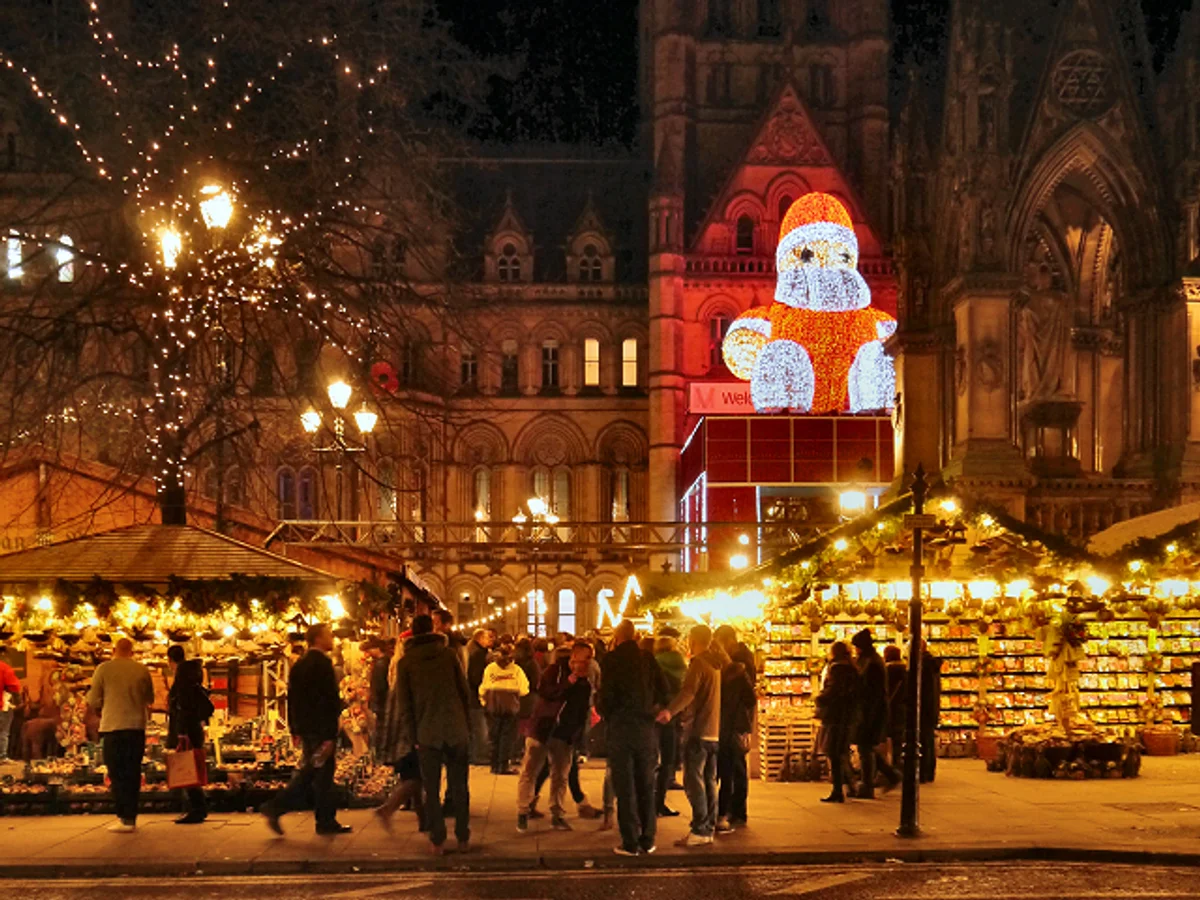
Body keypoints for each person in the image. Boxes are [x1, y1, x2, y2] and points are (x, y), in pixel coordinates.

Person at [393, 613, 474, 855]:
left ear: (413, 633)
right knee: (460, 787)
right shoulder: (449, 655)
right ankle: (462, 837)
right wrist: (466, 725)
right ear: (432, 630)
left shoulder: (405, 663)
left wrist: (413, 737)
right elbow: (464, 692)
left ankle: (437, 840)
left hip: (426, 734)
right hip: (456, 730)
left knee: (431, 788)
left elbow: (405, 705)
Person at [262, 623, 350, 836]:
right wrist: (330, 733)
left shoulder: (300, 664)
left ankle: (325, 820)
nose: (333, 639)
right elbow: (328, 701)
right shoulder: (322, 664)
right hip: (322, 731)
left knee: (318, 772)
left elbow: (293, 699)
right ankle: (278, 807)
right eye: (329, 635)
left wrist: (295, 727)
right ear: (318, 638)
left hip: (308, 729)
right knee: (316, 771)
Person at [598, 619, 669, 857]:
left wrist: (608, 714)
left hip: (621, 727)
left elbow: (605, 695)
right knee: (646, 784)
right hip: (645, 727)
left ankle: (630, 841)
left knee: (624, 785)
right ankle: (648, 838)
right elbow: (664, 689)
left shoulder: (611, 660)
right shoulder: (647, 659)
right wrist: (654, 709)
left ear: (618, 637)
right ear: (635, 636)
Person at [656, 624, 726, 847]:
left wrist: (669, 711)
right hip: (713, 732)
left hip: (698, 731)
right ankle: (708, 827)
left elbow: (688, 692)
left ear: (694, 640)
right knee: (709, 781)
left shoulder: (699, 664)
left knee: (693, 781)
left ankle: (700, 829)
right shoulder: (716, 664)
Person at [517, 642, 596, 832]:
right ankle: (523, 810)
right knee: (530, 770)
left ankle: (557, 814)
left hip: (564, 733)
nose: (585, 665)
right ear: (573, 658)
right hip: (542, 728)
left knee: (560, 775)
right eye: (582, 660)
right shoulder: (555, 670)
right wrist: (569, 682)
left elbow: (580, 712)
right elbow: (545, 691)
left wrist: (576, 737)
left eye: (588, 661)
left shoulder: (585, 683)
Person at [87, 637, 155, 832]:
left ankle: (122, 816)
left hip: (112, 727)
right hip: (136, 727)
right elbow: (149, 698)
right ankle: (131, 817)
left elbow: (93, 699)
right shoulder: (141, 670)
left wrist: (103, 706)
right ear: (132, 651)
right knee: (133, 772)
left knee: (116, 772)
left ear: (114, 650)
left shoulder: (103, 669)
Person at [375, 630, 425, 833]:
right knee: (417, 777)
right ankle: (388, 808)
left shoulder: (397, 667)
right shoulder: (408, 669)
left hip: (400, 731)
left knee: (413, 777)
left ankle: (424, 820)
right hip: (408, 733)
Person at [166, 644, 214, 825]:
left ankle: (197, 808)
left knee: (187, 768)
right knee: (190, 766)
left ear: (170, 660)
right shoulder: (192, 676)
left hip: (187, 730)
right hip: (193, 728)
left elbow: (183, 707)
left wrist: (181, 732)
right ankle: (197, 807)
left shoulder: (183, 678)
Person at [850, 628, 899, 798]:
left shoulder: (871, 664)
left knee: (866, 748)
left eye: (857, 647)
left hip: (870, 711)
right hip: (869, 710)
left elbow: (871, 691)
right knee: (867, 747)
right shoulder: (870, 660)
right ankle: (890, 775)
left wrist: (866, 714)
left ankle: (868, 785)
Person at [716, 643, 755, 832]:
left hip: (723, 728)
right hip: (732, 727)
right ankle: (731, 812)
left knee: (726, 772)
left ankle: (727, 812)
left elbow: (750, 699)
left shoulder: (721, 673)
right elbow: (750, 699)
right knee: (732, 772)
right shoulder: (738, 673)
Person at [814, 640, 858, 803]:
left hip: (836, 715)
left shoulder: (837, 668)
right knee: (841, 752)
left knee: (834, 751)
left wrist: (820, 699)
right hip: (847, 715)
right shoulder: (852, 667)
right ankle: (849, 786)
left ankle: (838, 789)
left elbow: (833, 690)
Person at [479, 643, 529, 774]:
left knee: (494, 735)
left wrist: (483, 700)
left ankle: (494, 764)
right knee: (507, 736)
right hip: (510, 705)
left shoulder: (490, 668)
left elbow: (484, 685)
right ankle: (503, 765)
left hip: (493, 704)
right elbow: (524, 689)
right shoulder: (516, 670)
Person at [653, 633, 686, 816]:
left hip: (655, 715)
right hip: (673, 714)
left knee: (651, 760)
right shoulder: (681, 664)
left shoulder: (654, 664)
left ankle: (650, 802)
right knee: (668, 760)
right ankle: (660, 802)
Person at [466, 629, 494, 764]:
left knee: (475, 726)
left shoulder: (469, 649)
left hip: (469, 695)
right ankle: (479, 755)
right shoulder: (477, 654)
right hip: (475, 696)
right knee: (480, 726)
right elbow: (475, 677)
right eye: (487, 638)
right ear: (480, 638)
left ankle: (474, 754)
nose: (489, 641)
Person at [920, 639, 943, 783]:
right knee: (928, 740)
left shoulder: (923, 665)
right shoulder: (932, 665)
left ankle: (923, 771)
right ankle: (928, 771)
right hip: (931, 707)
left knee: (923, 740)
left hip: (923, 708)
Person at [883, 645, 907, 770]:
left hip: (889, 708)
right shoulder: (906, 671)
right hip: (902, 709)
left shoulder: (887, 671)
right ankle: (897, 763)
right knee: (898, 738)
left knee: (884, 739)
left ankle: (887, 767)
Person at [0, 652, 21, 763]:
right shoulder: (4, 668)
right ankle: (2, 756)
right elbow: (14, 686)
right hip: (2, 706)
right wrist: (18, 701)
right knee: (3, 731)